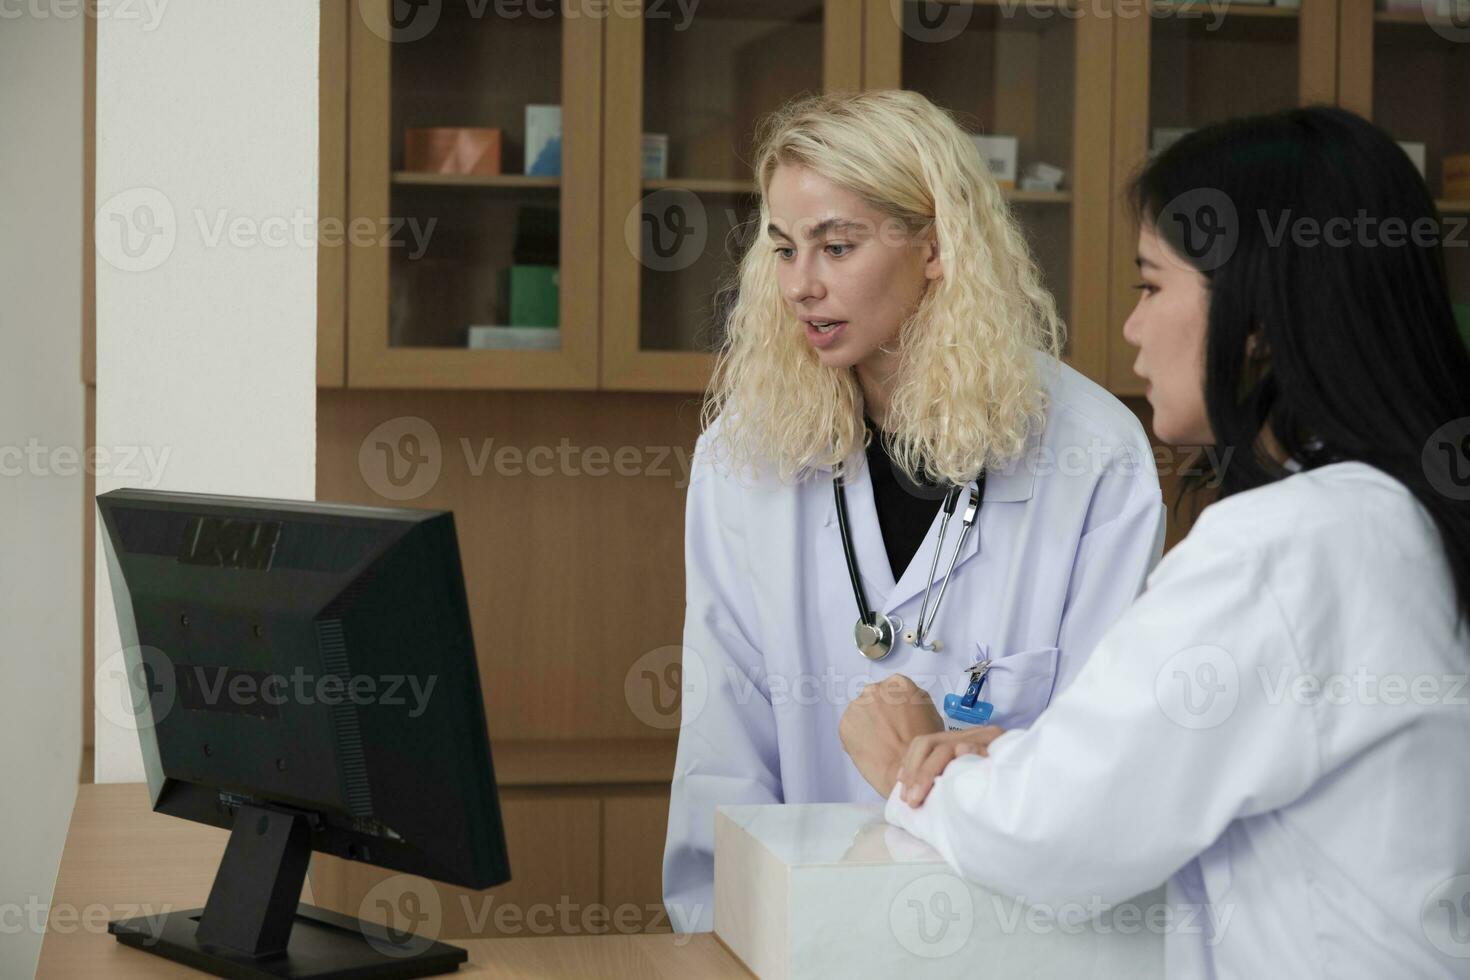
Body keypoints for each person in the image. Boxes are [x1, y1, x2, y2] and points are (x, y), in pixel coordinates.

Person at [841, 104, 1470, 977]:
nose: (1131, 327)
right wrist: (1025, 754)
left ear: (1255, 319)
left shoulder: (1285, 543)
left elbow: (1055, 837)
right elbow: (1190, 758)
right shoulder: (1397, 515)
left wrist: (914, 767)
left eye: (1150, 285)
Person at [662, 89, 1167, 933]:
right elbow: (724, 748)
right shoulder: (744, 455)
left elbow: (1100, 769)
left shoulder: (1093, 456)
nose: (801, 285)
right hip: (794, 934)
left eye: (838, 245)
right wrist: (713, 935)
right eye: (784, 249)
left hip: (1011, 942)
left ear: (935, 246)